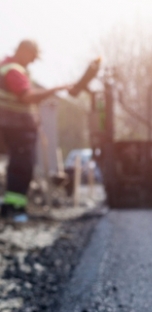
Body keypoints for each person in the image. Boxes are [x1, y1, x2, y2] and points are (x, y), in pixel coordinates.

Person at [0, 41, 100, 221]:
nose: (31, 62)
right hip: (17, 127)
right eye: (32, 57)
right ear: (24, 51)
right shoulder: (14, 70)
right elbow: (26, 97)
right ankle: (15, 210)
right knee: (21, 166)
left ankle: (14, 207)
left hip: (16, 126)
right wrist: (56, 89)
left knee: (20, 165)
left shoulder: (7, 67)